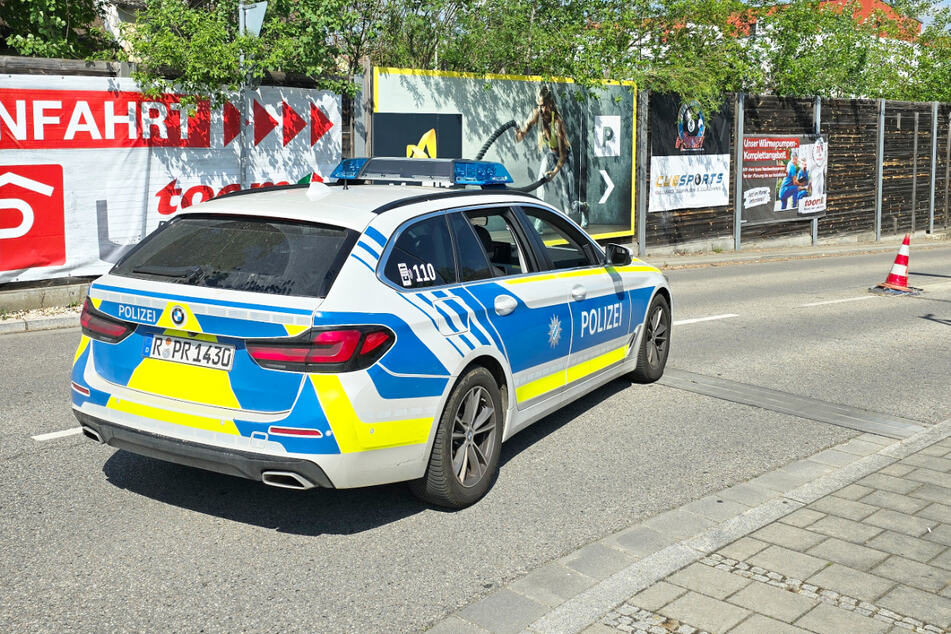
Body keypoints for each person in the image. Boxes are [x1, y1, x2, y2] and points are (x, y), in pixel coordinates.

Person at [515, 86, 586, 227]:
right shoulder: (537, 114)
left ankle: (583, 208)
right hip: (551, 154)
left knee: (569, 206)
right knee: (540, 184)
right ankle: (539, 220)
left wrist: (553, 173)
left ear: (550, 104)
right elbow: (520, 137)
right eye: (539, 106)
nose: (541, 109)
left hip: (564, 157)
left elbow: (563, 154)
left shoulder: (557, 122)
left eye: (543, 106)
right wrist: (518, 130)